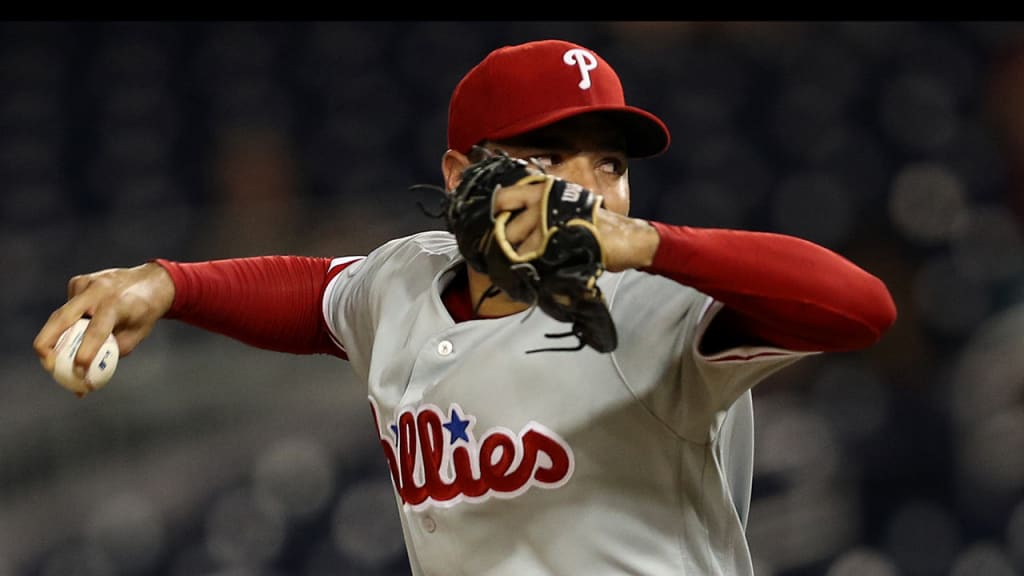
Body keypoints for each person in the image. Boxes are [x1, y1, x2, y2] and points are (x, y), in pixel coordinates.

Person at [34, 39, 897, 575]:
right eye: (548, 157)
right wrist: (169, 284)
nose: (588, 188)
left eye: (609, 164)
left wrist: (649, 244)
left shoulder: (655, 302)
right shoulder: (407, 280)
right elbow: (314, 296)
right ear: (460, 177)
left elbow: (861, 309)